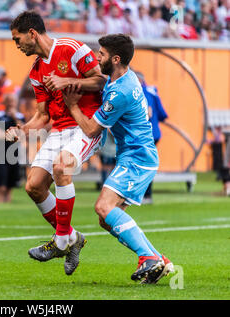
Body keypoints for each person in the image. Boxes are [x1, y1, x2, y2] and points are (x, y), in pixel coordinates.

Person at [62, 34, 173, 284]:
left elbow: (91, 129)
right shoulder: (123, 77)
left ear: (115, 58)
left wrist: (72, 106)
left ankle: (147, 256)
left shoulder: (121, 91)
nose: (96, 57)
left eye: (100, 54)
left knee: (103, 207)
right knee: (106, 220)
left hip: (137, 157)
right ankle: (157, 260)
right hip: (135, 155)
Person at [6, 10, 107, 276]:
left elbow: (100, 79)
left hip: (87, 126)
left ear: (32, 34)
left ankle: (61, 240)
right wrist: (22, 130)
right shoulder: (37, 71)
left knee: (62, 167)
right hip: (61, 130)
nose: (17, 45)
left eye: (17, 40)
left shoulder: (71, 49)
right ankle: (73, 239)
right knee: (34, 186)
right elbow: (42, 115)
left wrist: (68, 80)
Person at [136, 71, 168, 204]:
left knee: (140, 164)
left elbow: (146, 113)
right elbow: (162, 115)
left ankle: (144, 194)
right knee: (147, 163)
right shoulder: (153, 92)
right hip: (154, 133)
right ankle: (146, 194)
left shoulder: (138, 92)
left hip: (143, 134)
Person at [0, 93, 25, 203]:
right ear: (4, 102)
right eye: (8, 100)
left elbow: (22, 132)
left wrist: (14, 117)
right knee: (1, 186)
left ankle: (5, 208)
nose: (11, 103)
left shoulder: (20, 117)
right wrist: (12, 137)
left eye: (12, 101)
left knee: (10, 187)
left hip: (15, 154)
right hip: (1, 154)